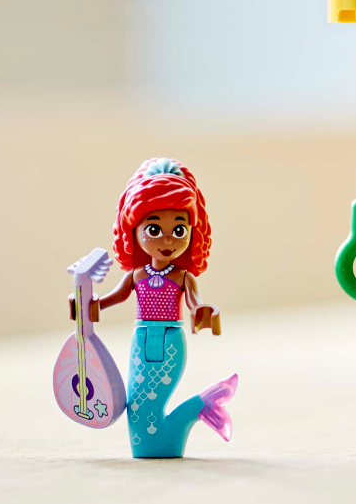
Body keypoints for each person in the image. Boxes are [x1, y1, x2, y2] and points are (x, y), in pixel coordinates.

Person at [78, 159, 237, 458]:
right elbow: (113, 298)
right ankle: (202, 406)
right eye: (154, 228)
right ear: (134, 230)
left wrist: (203, 312)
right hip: (141, 340)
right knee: (137, 406)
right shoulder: (137, 275)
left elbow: (194, 302)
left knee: (145, 404)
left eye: (179, 230)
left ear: (192, 232)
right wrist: (88, 305)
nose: (167, 240)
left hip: (171, 341)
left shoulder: (182, 276)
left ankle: (199, 409)